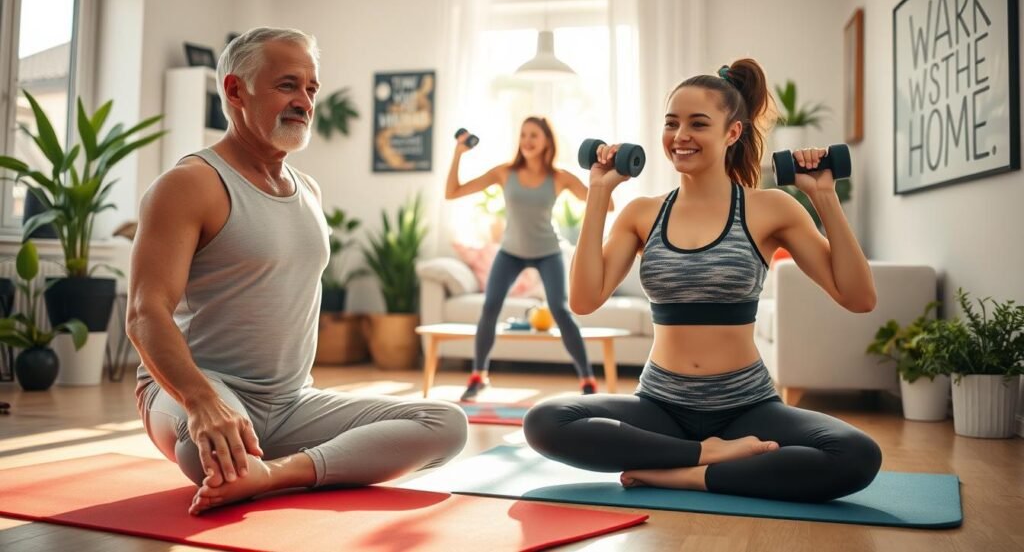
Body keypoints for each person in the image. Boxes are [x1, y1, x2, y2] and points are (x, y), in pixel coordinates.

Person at [127, 27, 467, 516]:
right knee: (209, 457)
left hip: (289, 403)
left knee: (446, 424)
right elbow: (144, 314)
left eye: (311, 88)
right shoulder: (189, 184)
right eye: (287, 85)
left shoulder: (307, 189)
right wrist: (202, 402)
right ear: (235, 90)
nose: (304, 101)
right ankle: (260, 461)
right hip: (195, 387)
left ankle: (275, 473)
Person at [522, 59, 882, 503]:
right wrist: (599, 192)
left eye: (698, 124)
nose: (680, 136)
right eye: (672, 123)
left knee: (857, 455)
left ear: (732, 133)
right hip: (660, 406)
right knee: (544, 422)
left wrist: (823, 197)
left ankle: (686, 474)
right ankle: (705, 454)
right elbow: (583, 300)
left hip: (746, 407)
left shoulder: (770, 208)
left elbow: (859, 297)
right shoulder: (642, 213)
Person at [445, 117, 612, 401]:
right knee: (490, 307)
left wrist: (602, 178)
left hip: (548, 251)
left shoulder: (560, 177)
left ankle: (587, 380)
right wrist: (458, 154)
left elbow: (607, 205)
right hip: (510, 252)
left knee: (560, 310)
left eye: (534, 135)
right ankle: (478, 376)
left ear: (547, 140)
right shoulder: (504, 172)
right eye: (523, 135)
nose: (527, 141)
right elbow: (453, 193)